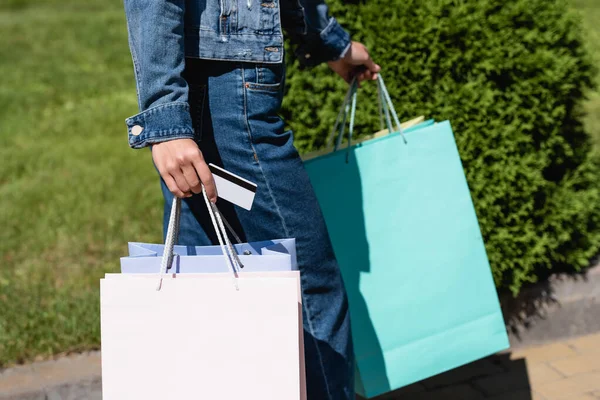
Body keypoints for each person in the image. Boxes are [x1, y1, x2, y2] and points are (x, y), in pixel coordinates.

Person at [123, 0, 380, 398]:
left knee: (209, 290)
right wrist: (164, 116)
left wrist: (332, 43)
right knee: (304, 285)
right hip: (231, 100)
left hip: (226, 88)